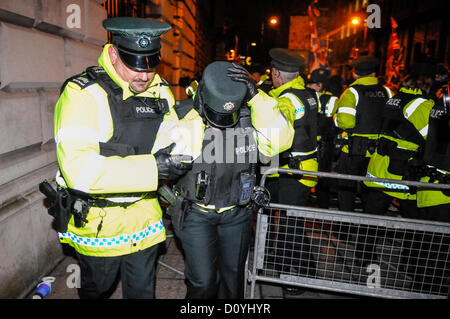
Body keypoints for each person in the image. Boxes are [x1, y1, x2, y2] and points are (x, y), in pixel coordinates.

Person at [51, 17, 193, 299]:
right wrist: (154, 168)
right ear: (113, 53)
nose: (144, 75)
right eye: (134, 65)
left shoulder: (160, 90)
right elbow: (79, 170)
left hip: (146, 222)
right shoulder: (81, 95)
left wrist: (192, 123)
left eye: (151, 65)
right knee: (97, 290)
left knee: (142, 293)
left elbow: (171, 142)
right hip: (100, 227)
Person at [170, 61, 294, 299]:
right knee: (203, 284)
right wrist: (196, 115)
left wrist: (258, 98)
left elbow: (280, 142)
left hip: (238, 213)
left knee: (233, 280)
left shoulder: (252, 115)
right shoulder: (186, 114)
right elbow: (177, 152)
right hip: (196, 214)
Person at [363, 64, 435, 217]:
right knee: (412, 218)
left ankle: (363, 239)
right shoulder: (422, 105)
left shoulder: (395, 99)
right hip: (402, 169)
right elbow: (432, 137)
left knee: (372, 216)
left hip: (380, 166)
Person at [335, 55, 394, 212]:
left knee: (347, 192)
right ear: (374, 74)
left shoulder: (351, 92)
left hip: (353, 152)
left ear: (354, 73)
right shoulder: (387, 91)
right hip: (378, 153)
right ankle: (368, 232)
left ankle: (345, 229)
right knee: (372, 193)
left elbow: (345, 123)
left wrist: (336, 118)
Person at [306, 68, 339, 208]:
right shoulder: (308, 96)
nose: (308, 86)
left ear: (320, 85)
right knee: (307, 177)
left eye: (311, 83)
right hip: (311, 143)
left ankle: (322, 206)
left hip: (324, 145)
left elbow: (329, 122)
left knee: (322, 179)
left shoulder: (331, 100)